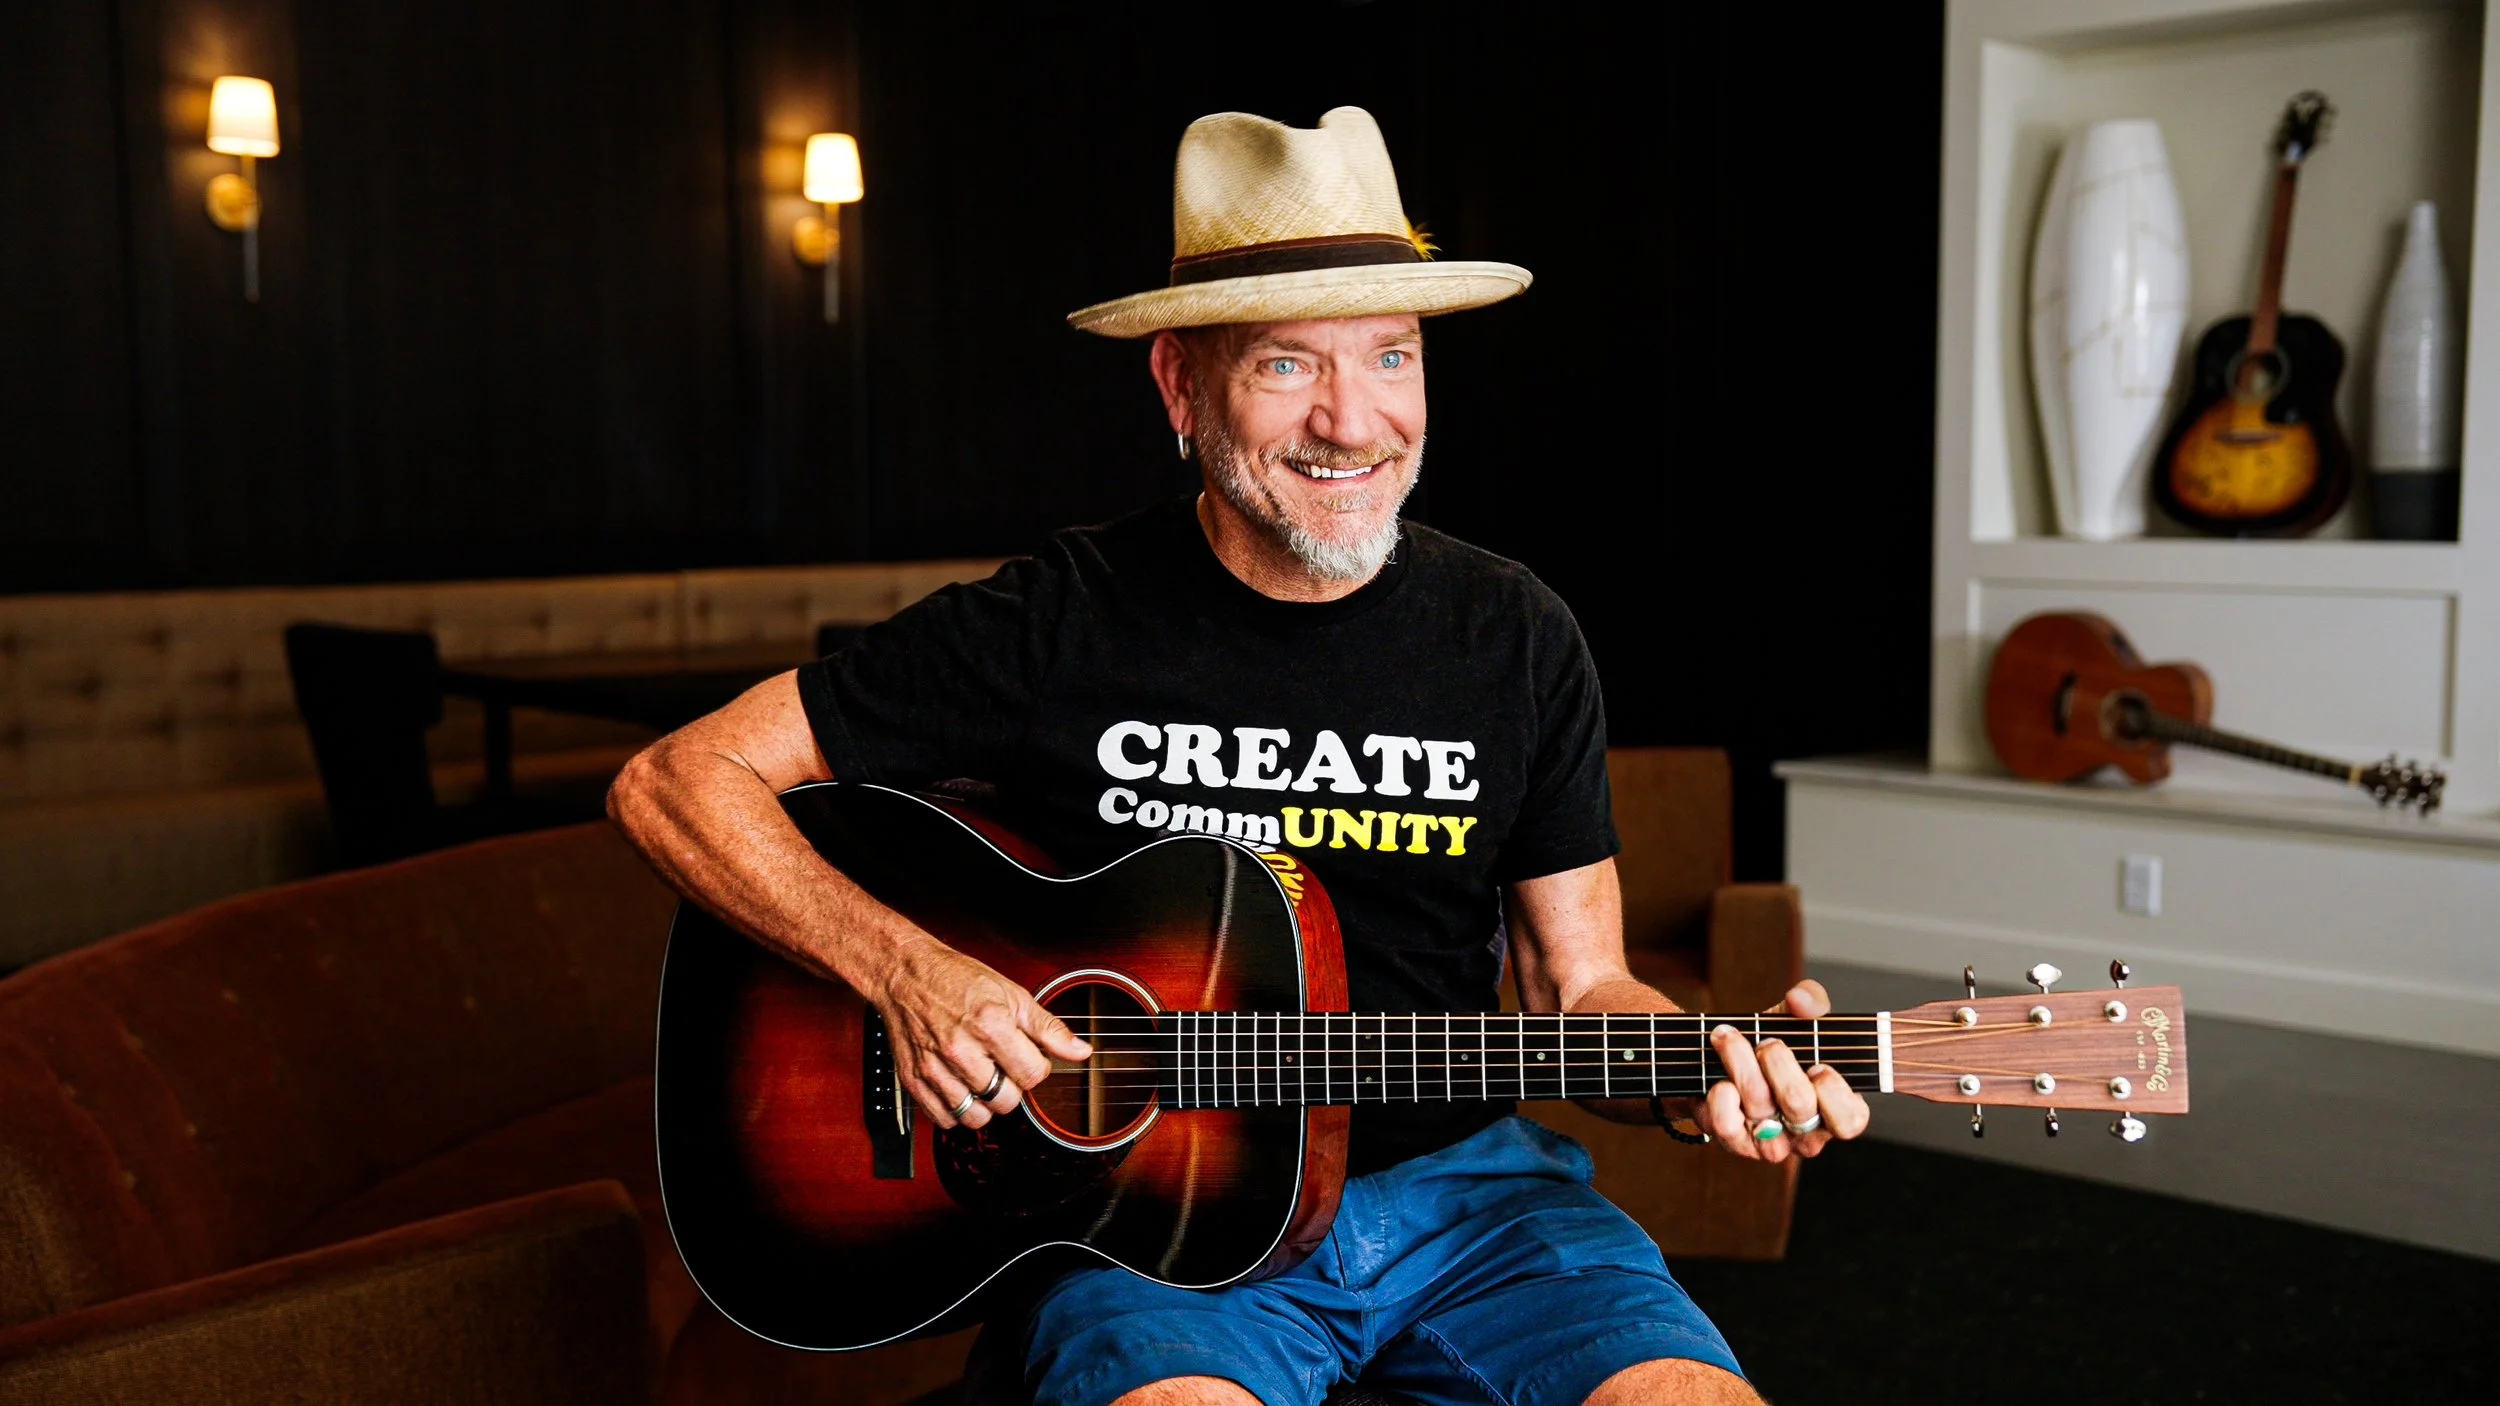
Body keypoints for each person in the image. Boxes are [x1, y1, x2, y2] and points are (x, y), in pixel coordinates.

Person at [609, 105, 1869, 1406]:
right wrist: (907, 970)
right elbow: (674, 781)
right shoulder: (1059, 619)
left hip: (1478, 1205)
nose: (1354, 420)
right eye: (1285, 365)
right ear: (1178, 383)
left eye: (1391, 355)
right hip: (1161, 1233)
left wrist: (1703, 1072)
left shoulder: (1518, 636)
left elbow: (1579, 984)